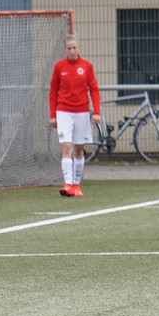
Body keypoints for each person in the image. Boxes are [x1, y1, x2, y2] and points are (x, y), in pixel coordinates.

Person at [48, 34, 101, 197]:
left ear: (79, 47)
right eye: (69, 48)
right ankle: (68, 184)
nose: (72, 51)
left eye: (74, 47)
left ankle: (76, 185)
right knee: (66, 148)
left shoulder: (86, 66)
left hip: (82, 112)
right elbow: (53, 91)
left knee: (79, 150)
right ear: (65, 49)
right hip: (63, 111)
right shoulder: (59, 66)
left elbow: (94, 88)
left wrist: (97, 112)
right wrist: (52, 115)